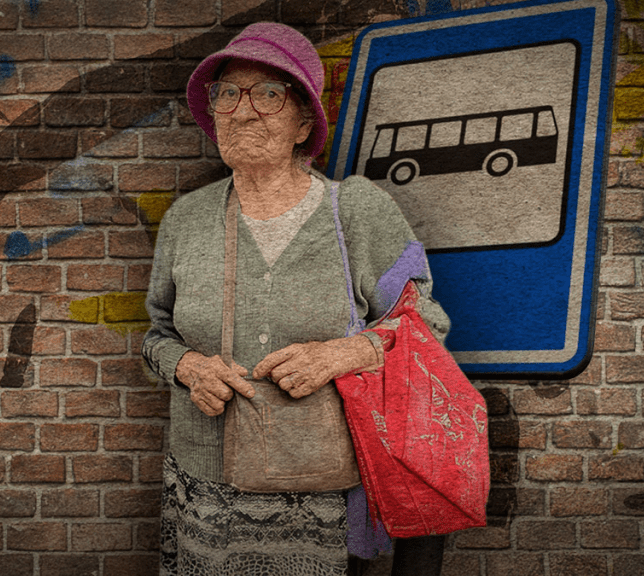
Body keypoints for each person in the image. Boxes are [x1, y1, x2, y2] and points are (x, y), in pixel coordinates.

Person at [142, 22, 452, 576]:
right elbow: (158, 336)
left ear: (304, 120)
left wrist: (340, 355)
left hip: (325, 493)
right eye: (228, 93)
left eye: (268, 93)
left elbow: (424, 321)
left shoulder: (358, 212)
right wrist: (186, 366)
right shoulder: (185, 220)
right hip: (205, 489)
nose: (242, 110)